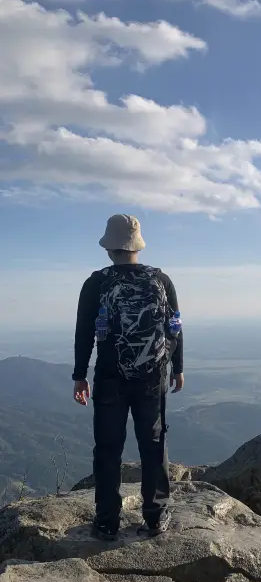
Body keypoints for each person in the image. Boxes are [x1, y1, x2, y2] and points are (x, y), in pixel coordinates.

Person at [72, 214, 184, 541]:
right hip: (153, 378)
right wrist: (177, 367)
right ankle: (156, 518)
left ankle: (106, 522)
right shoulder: (160, 280)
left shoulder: (96, 282)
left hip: (110, 378)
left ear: (109, 247)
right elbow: (174, 326)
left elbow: (84, 333)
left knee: (108, 449)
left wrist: (80, 375)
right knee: (153, 446)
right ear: (137, 246)